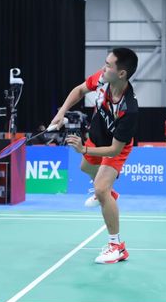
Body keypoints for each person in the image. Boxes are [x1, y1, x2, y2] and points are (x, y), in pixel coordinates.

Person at [51, 48, 138, 264]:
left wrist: (84, 150)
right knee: (85, 169)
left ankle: (117, 246)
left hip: (115, 146)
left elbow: (115, 150)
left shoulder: (130, 109)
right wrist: (61, 113)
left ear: (121, 74)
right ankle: (110, 194)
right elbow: (80, 90)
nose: (103, 68)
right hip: (97, 137)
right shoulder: (102, 80)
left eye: (108, 65)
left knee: (100, 188)